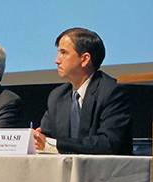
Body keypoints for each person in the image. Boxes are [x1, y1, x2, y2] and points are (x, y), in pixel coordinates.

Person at [34, 27, 132, 155]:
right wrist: (37, 138)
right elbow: (45, 136)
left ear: (85, 59)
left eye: (64, 53)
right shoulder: (57, 96)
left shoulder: (112, 92)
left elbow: (107, 143)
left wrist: (54, 144)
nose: (57, 60)